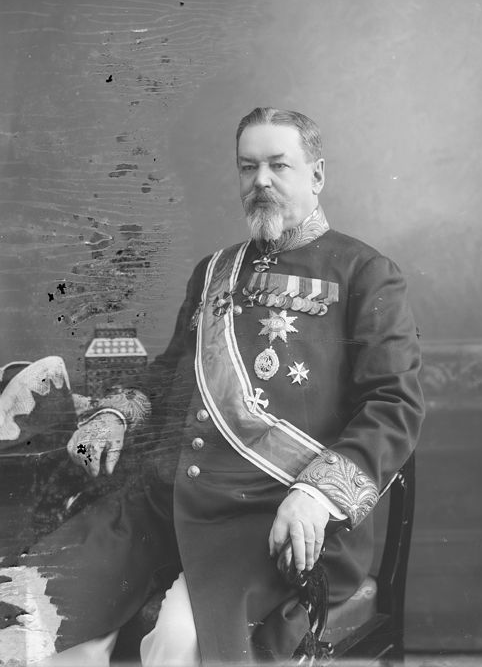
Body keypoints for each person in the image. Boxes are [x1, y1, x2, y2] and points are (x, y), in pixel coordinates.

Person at [3, 107, 424, 666]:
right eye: (248, 167)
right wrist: (117, 413)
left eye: (279, 165)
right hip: (169, 504)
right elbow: (169, 375)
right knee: (36, 616)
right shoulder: (213, 272)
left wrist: (316, 497)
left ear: (317, 174)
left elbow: (394, 405)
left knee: (180, 643)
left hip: (278, 515)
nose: (261, 181)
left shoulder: (364, 272)